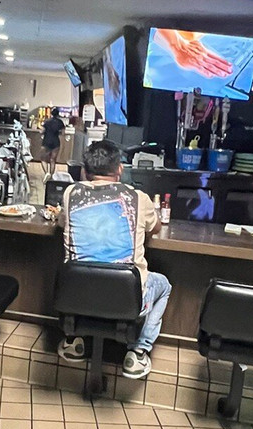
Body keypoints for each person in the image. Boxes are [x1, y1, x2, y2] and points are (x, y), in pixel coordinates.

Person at [55, 139, 171, 380]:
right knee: (164, 285)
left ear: (85, 171)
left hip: (76, 296)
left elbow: (61, 223)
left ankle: (74, 339)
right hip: (126, 299)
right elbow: (156, 227)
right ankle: (138, 351)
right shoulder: (138, 197)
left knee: (78, 271)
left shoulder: (70, 193)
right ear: (119, 169)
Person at [41, 107, 65, 177]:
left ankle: (46, 174)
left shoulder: (47, 121)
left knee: (43, 159)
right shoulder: (60, 122)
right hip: (55, 142)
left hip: (46, 141)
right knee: (52, 160)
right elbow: (63, 133)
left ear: (51, 114)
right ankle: (51, 176)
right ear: (58, 114)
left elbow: (42, 131)